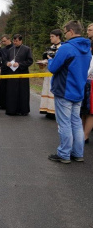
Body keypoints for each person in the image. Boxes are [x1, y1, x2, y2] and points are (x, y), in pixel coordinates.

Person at [48, 20, 91, 164]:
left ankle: (64, 154)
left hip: (64, 90)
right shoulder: (87, 48)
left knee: (64, 123)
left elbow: (53, 68)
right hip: (79, 90)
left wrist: (49, 61)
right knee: (76, 123)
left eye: (65, 32)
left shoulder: (67, 48)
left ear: (71, 32)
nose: (64, 35)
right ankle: (78, 153)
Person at [5, 34, 33, 116]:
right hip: (12, 74)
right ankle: (11, 110)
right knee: (11, 92)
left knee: (22, 92)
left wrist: (19, 64)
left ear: (21, 41)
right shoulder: (10, 50)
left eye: (16, 41)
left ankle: (23, 110)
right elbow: (5, 60)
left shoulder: (27, 49)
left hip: (22, 74)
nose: (14, 43)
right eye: (14, 41)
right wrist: (7, 63)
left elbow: (30, 61)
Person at [38, 29, 62, 118]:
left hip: (56, 73)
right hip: (48, 72)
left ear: (58, 36)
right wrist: (42, 62)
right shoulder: (50, 47)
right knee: (47, 89)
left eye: (52, 36)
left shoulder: (62, 48)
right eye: (50, 36)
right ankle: (47, 109)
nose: (50, 38)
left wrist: (50, 61)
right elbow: (47, 59)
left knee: (53, 91)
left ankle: (54, 111)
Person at [0, 35, 13, 109]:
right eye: (2, 41)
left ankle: (10, 104)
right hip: (4, 70)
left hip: (12, 70)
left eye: (4, 41)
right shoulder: (2, 49)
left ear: (9, 40)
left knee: (10, 88)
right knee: (2, 88)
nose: (3, 42)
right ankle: (2, 104)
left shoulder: (14, 48)